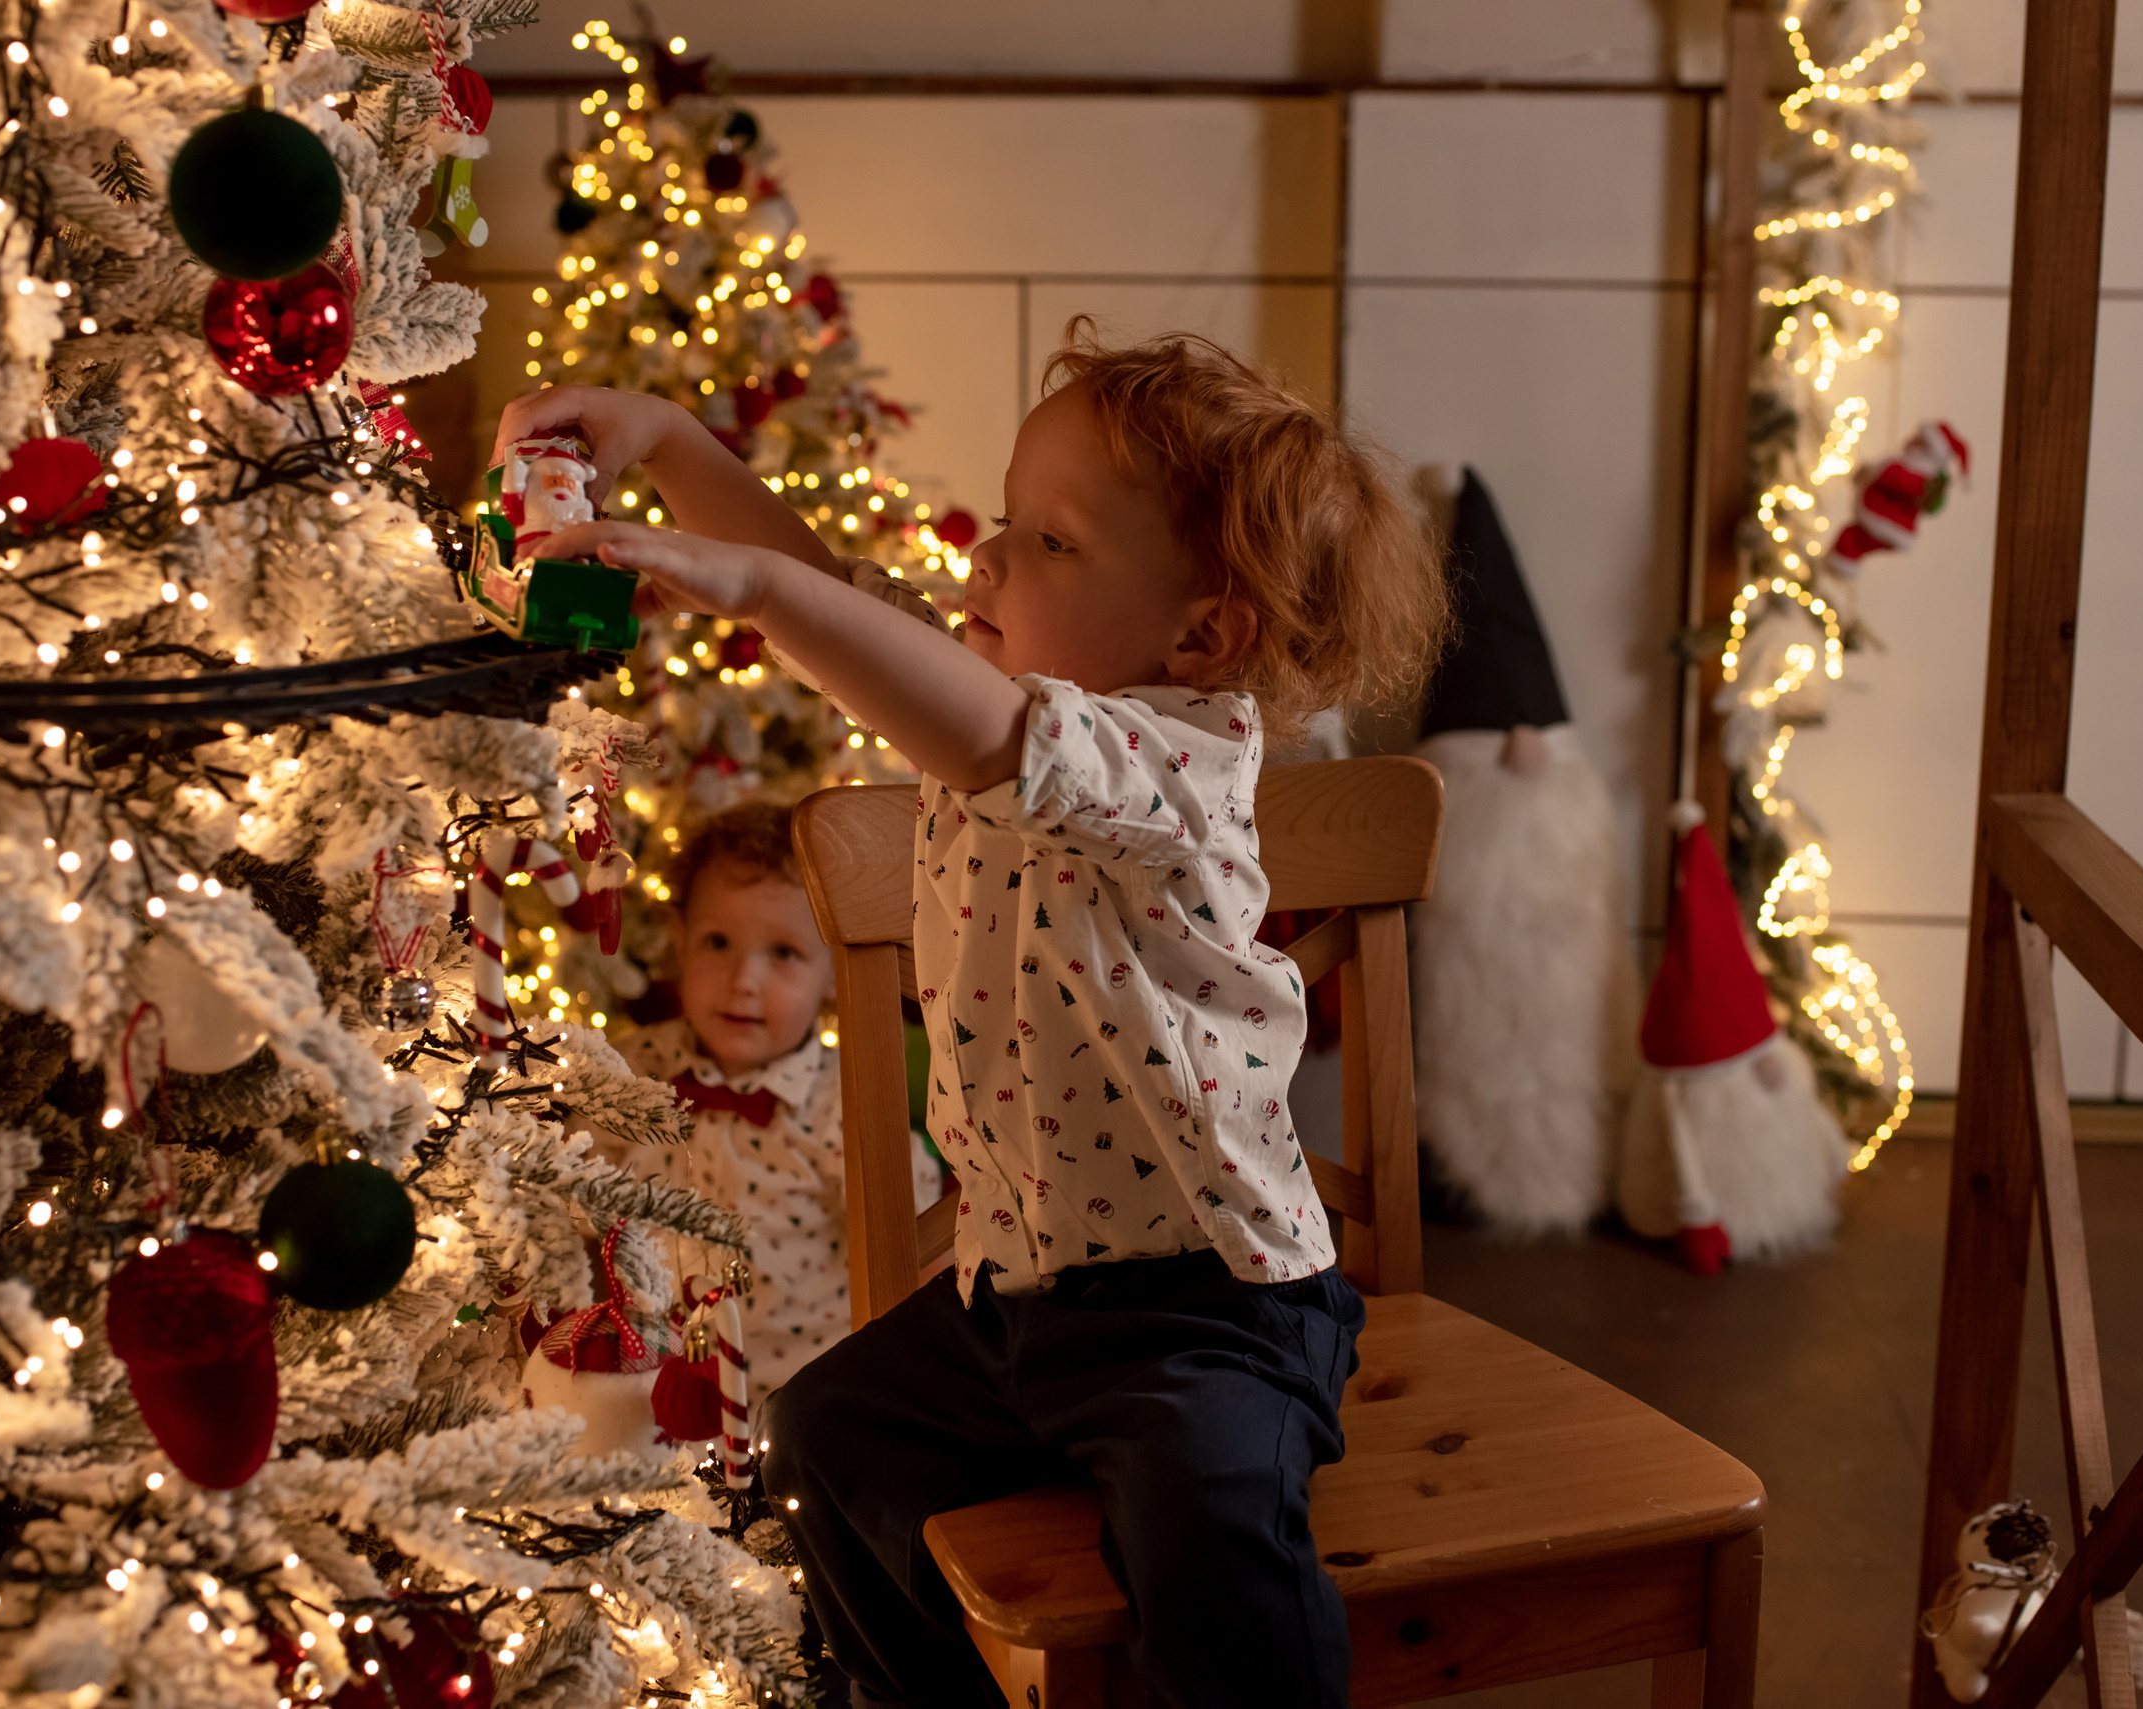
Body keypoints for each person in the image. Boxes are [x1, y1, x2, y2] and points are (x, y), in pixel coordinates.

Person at [496, 321, 1445, 1709]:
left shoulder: (1175, 762)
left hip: (1214, 1310)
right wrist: (679, 444)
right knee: (823, 1436)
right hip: (1017, 1301)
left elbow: (970, 721)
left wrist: (754, 590)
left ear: (1205, 631)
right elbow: (846, 599)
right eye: (1003, 522)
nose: (989, 560)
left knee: (1207, 1524)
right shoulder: (994, 693)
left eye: (1048, 544)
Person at [614, 798, 945, 1392]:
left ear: (831, 975)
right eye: (718, 942)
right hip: (646, 1388)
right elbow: (570, 1203)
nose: (744, 980)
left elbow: (912, 1251)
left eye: (784, 953)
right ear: (679, 939)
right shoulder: (630, 1074)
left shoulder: (850, 1101)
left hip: (799, 1393)